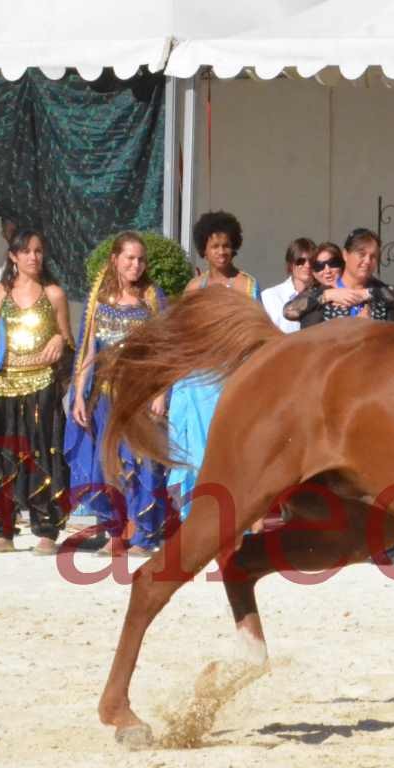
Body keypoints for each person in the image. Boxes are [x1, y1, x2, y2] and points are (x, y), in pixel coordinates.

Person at [0, 228, 74, 554]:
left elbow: (69, 342)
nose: (33, 257)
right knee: (1, 456)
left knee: (43, 456)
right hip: (2, 387)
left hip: (41, 386)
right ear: (13, 256)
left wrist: (59, 340)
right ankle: (4, 531)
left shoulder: (54, 293)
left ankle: (46, 530)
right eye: (26, 251)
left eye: (38, 251)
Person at [63, 231, 168, 555]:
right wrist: (79, 395)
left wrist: (161, 393)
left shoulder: (153, 297)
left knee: (143, 463)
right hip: (105, 397)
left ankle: (144, 535)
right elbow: (86, 349)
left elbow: (165, 350)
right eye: (129, 259)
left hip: (139, 396)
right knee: (108, 464)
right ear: (115, 260)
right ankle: (114, 535)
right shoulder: (99, 299)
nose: (136, 265)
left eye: (140, 259)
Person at [169, 211, 260, 517]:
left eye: (226, 245)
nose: (221, 251)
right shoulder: (195, 288)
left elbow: (256, 332)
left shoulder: (248, 285)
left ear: (234, 246)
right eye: (214, 246)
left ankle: (235, 516)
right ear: (203, 250)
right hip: (197, 382)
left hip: (235, 378)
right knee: (197, 450)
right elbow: (182, 335)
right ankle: (199, 516)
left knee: (233, 448)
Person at [283, 227, 394, 327]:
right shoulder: (324, 292)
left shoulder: (380, 292)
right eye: (362, 254)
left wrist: (365, 294)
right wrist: (327, 296)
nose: (368, 261)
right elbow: (289, 311)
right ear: (345, 255)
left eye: (373, 256)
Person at [260, 236, 316, 334]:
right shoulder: (269, 296)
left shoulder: (323, 294)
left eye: (311, 261)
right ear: (290, 264)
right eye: (300, 261)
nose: (307, 265)